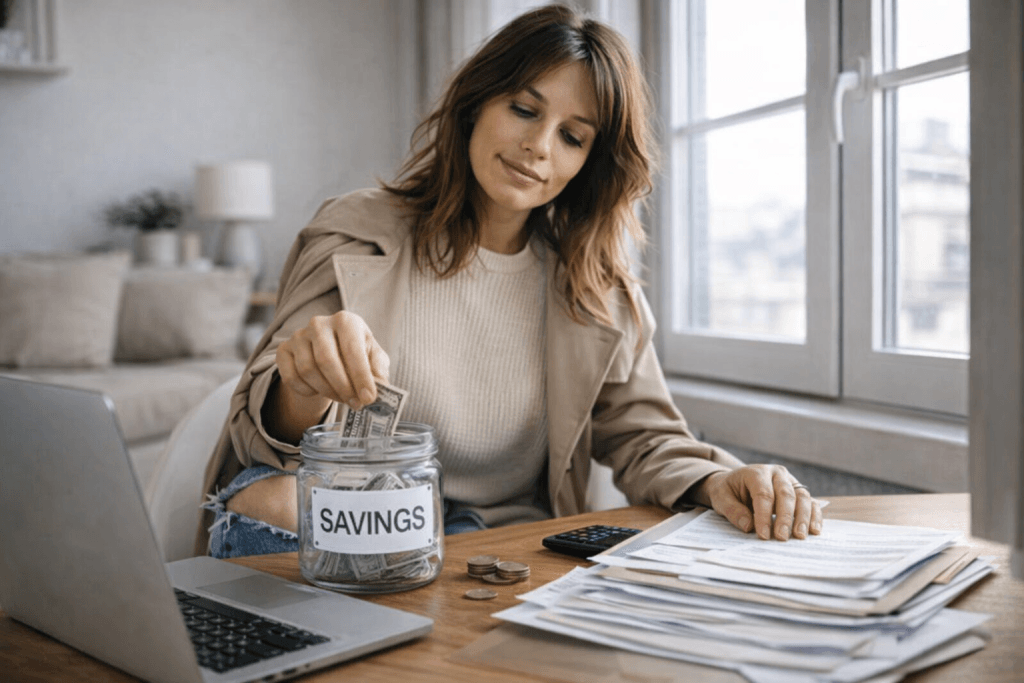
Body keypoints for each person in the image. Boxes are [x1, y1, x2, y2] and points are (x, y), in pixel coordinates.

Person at [196, 4, 822, 558]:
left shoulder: (595, 287)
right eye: (524, 108)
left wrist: (717, 480)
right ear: (476, 103)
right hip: (361, 512)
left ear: (588, 163)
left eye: (572, 137)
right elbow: (262, 439)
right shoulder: (356, 232)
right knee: (275, 503)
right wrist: (304, 385)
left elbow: (644, 434)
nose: (538, 146)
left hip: (496, 541)